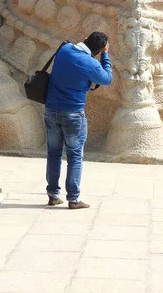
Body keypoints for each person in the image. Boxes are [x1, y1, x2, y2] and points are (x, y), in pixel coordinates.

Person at [44, 31, 112, 209]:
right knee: (74, 156)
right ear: (98, 50)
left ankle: (52, 195)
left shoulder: (65, 49)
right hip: (73, 114)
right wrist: (105, 55)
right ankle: (73, 199)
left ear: (85, 39)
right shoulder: (90, 63)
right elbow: (107, 79)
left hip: (51, 110)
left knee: (53, 154)